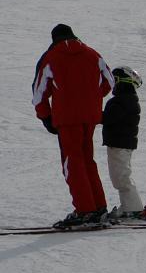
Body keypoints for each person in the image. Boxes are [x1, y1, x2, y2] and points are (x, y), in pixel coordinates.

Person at [32, 24, 115, 228]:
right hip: (90, 117)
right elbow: (110, 81)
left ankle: (85, 210)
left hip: (67, 119)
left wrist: (46, 117)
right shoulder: (92, 54)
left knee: (73, 163)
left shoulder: (51, 57)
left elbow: (39, 92)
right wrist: (92, 99)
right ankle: (98, 206)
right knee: (87, 160)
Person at [103, 66, 146, 219]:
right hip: (121, 143)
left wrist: (91, 115)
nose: (112, 85)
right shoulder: (126, 100)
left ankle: (132, 209)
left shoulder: (123, 101)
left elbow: (109, 118)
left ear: (124, 82)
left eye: (115, 81)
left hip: (120, 144)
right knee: (121, 176)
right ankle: (129, 206)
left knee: (121, 177)